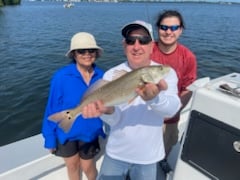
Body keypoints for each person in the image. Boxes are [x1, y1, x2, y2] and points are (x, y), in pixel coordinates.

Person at [81, 20, 181, 180]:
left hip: (148, 156)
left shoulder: (166, 73)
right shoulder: (111, 75)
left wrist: (154, 99)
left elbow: (172, 109)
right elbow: (114, 121)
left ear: (151, 46)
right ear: (124, 45)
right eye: (130, 41)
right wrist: (107, 111)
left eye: (143, 40)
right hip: (116, 153)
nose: (136, 46)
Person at [42, 32, 105, 180]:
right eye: (81, 51)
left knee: (89, 167)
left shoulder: (103, 76)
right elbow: (51, 109)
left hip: (91, 132)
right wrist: (49, 138)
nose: (87, 54)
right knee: (72, 166)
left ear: (96, 53)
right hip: (66, 133)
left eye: (91, 50)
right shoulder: (61, 77)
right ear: (74, 54)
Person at [151, 10, 197, 174]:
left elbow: (187, 88)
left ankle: (162, 160)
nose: (168, 32)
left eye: (174, 27)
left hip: (170, 115)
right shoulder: (147, 49)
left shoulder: (188, 57)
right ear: (158, 29)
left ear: (180, 30)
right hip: (146, 112)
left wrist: (173, 109)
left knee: (167, 142)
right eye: (164, 27)